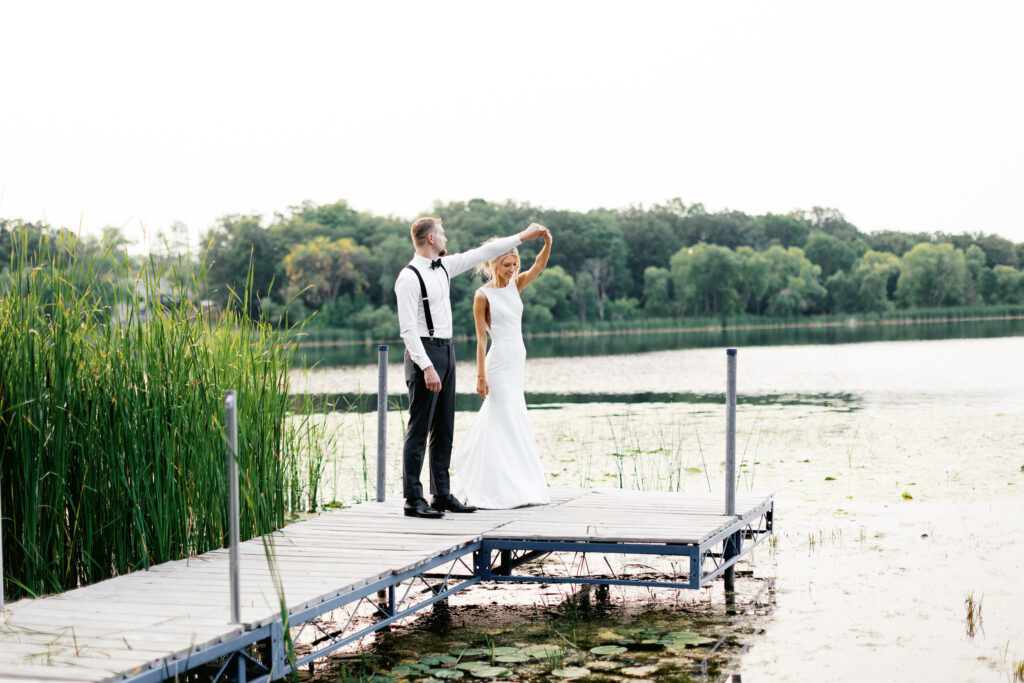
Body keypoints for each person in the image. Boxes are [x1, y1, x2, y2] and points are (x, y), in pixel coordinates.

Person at [395, 217, 548, 519]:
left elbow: (484, 252)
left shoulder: (446, 266)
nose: (446, 236)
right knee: (419, 429)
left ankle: (441, 494)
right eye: (442, 233)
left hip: (447, 350)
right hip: (424, 353)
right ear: (430, 239)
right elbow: (408, 330)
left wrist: (522, 237)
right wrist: (426, 366)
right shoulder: (409, 278)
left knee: (444, 428)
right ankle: (413, 499)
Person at [451, 228, 552, 509]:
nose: (512, 269)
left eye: (515, 265)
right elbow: (481, 340)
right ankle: (494, 483)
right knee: (504, 416)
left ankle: (515, 481)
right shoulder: (482, 296)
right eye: (507, 265)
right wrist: (480, 376)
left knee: (513, 417)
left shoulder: (516, 285)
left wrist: (547, 241)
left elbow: (540, 265)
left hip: (516, 360)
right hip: (497, 365)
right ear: (495, 264)